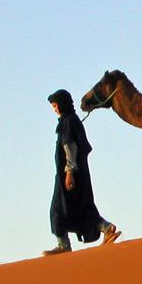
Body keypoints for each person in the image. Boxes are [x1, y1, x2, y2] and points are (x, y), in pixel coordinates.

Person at [44, 89, 120, 255]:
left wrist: (69, 172)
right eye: (53, 106)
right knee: (81, 206)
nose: (55, 109)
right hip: (79, 173)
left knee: (57, 208)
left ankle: (63, 245)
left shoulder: (68, 122)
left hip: (70, 174)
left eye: (56, 105)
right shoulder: (71, 120)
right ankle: (107, 228)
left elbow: (69, 146)